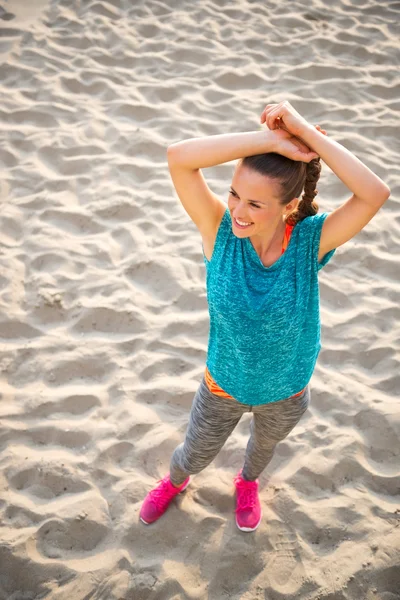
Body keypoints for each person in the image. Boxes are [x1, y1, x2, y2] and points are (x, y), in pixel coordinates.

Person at [139, 100, 390, 532]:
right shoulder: (217, 229)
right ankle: (175, 482)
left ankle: (247, 482)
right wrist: (270, 140)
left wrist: (308, 135)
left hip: (288, 390)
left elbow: (375, 193)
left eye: (256, 204)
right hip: (223, 385)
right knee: (194, 453)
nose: (238, 210)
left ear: (287, 208)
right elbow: (178, 157)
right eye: (236, 193)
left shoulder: (310, 242)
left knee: (262, 449)